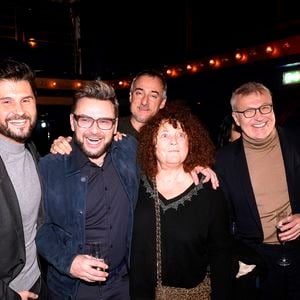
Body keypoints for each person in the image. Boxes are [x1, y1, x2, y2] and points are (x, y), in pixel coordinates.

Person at [36, 80, 140, 300]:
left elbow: (170, 163)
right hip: (71, 290)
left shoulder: (130, 152)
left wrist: (197, 167)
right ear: (73, 122)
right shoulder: (50, 167)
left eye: (104, 122)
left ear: (115, 126)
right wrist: (69, 262)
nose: (94, 131)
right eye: (85, 120)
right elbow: (41, 229)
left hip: (124, 286)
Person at [130, 102, 234, 299]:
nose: (174, 141)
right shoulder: (134, 184)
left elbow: (221, 254)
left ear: (190, 142)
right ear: (151, 143)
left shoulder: (209, 190)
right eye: (165, 135)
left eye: (181, 135)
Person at [215, 81, 300, 300]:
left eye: (264, 108)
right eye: (249, 111)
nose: (259, 116)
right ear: (236, 118)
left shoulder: (296, 142)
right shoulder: (222, 161)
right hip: (257, 259)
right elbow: (220, 219)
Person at [0, 58, 47, 299]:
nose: (19, 111)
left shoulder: (32, 152)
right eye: (6, 101)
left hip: (38, 282)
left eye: (25, 100)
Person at [117, 69, 167, 138]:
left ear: (162, 103)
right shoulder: (110, 130)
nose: (144, 102)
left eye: (153, 96)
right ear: (131, 97)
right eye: (139, 93)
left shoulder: (168, 137)